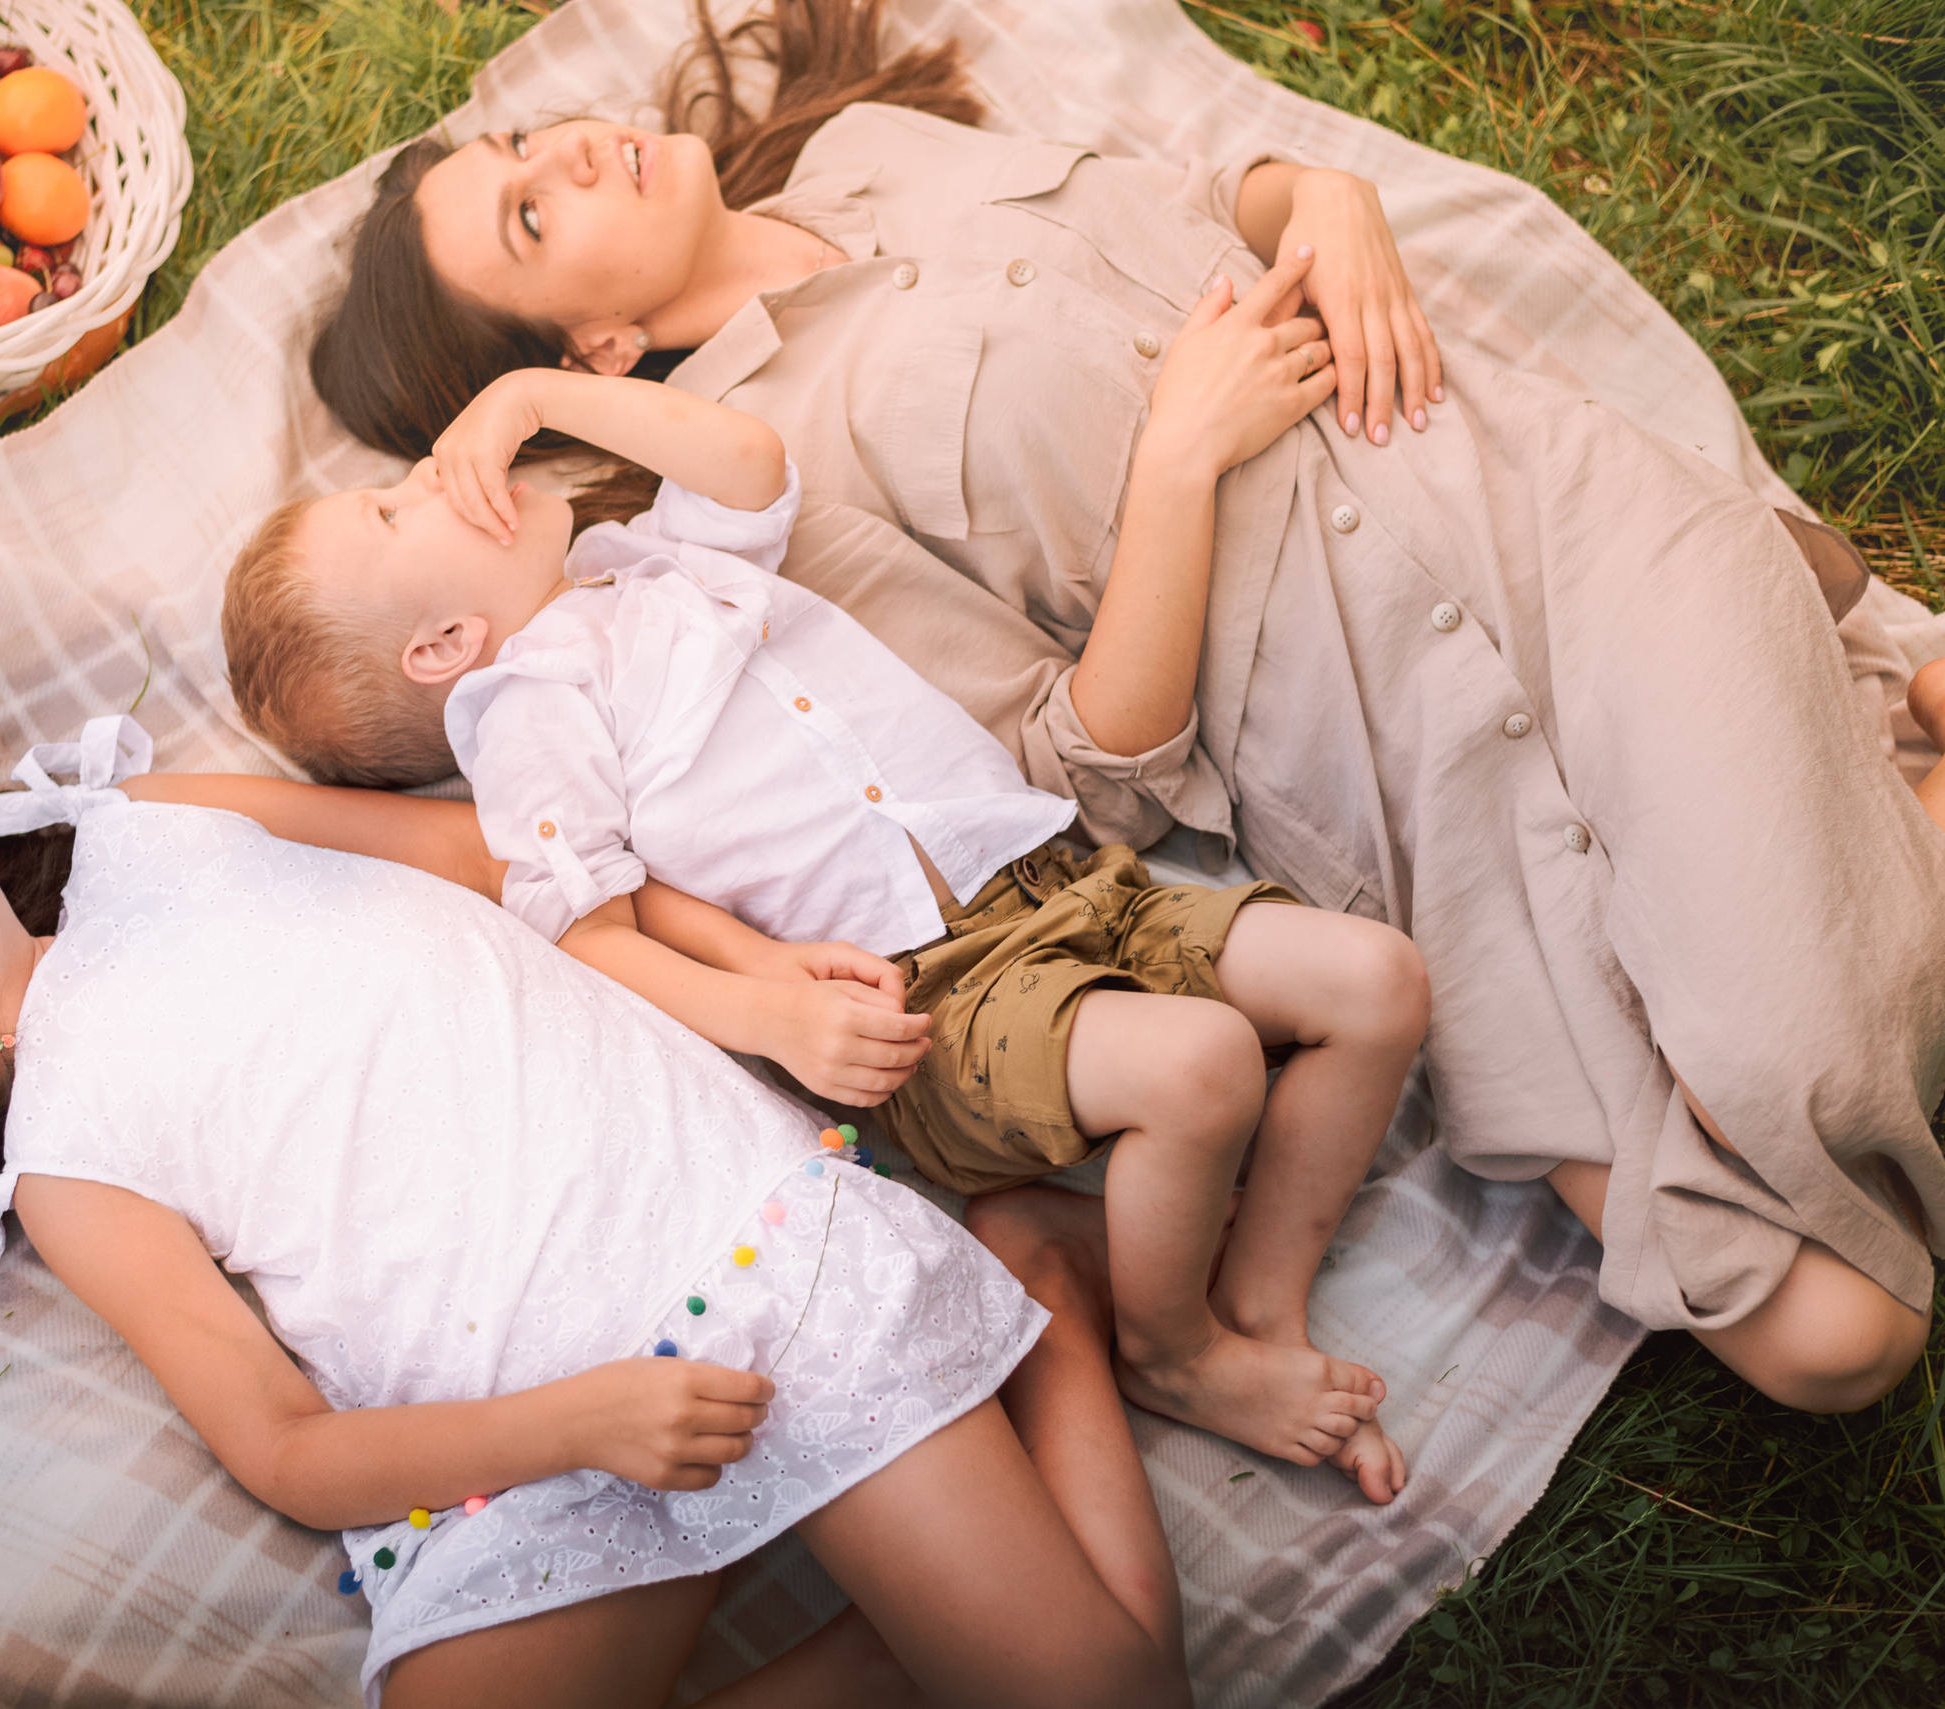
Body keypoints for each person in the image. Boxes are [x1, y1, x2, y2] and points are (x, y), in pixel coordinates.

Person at [303, 0, 1944, 1407]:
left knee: (1774, 1070)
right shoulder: (757, 501)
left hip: (1521, 513)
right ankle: (1867, 733)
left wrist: (1332, 200)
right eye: (527, 215)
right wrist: (1177, 456)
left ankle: (1809, 709)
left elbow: (1205, 197)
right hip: (1389, 763)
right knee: (1830, 1333)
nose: (569, 155)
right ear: (587, 340)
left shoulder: (875, 145)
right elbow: (1081, 768)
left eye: (530, 147)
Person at [0, 724, 1186, 1709]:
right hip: (521, 1432)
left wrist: (745, 987)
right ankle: (939, 1544)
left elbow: (497, 862)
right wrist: (580, 1425)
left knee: (1108, 1693)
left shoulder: (149, 830)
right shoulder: (77, 1168)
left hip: (715, 1243)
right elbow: (285, 1449)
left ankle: (1039, 1303)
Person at [222, 357, 1427, 1504]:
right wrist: (774, 1014)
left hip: (1049, 873)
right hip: (925, 994)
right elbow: (592, 934)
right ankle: (1171, 1351)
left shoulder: (640, 561)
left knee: (1375, 979)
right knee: (1202, 1068)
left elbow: (745, 457)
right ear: (441, 649)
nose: (427, 475)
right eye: (389, 513)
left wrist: (528, 393)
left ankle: (1260, 1307)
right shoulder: (530, 711)